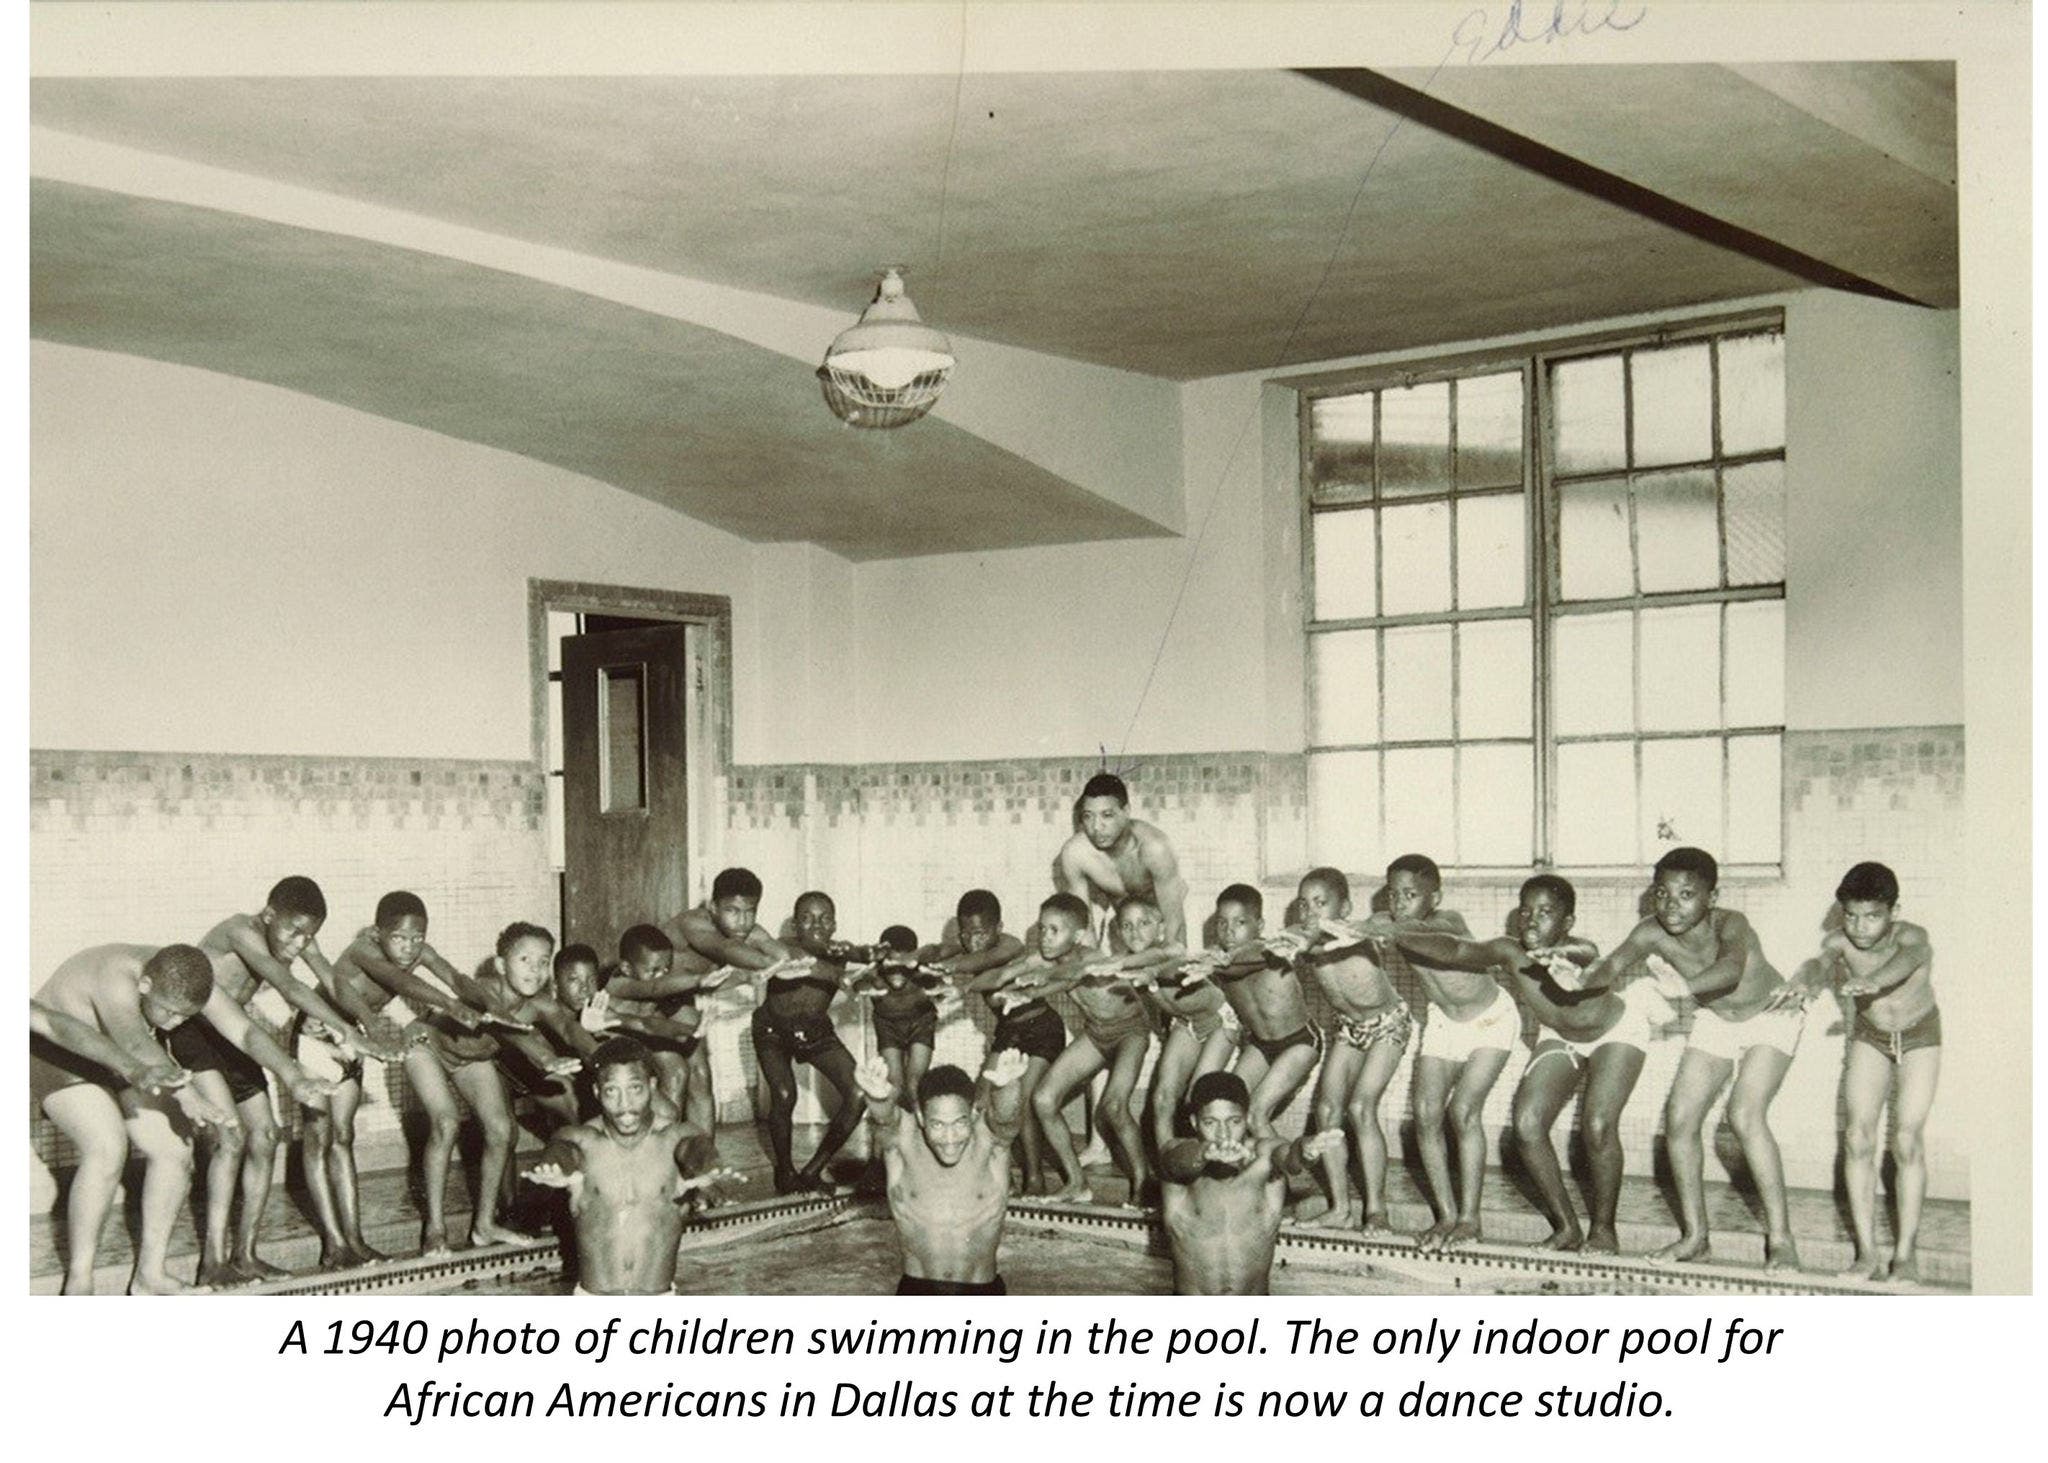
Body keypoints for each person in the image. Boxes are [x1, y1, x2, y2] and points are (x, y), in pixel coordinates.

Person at [32, 943, 327, 1293]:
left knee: (175, 1151)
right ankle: (79, 1282)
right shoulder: (115, 976)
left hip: (128, 1059)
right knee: (107, 1148)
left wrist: (291, 1075)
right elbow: (135, 1041)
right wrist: (187, 1096)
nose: (177, 1023)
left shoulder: (190, 977)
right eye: (170, 1013)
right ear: (145, 986)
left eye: (186, 1017)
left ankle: (149, 1276)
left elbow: (244, 1031)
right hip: (59, 1053)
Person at [1391, 874, 1653, 1254]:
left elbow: (1587, 952)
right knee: (1527, 1125)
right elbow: (1455, 950)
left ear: (1566, 923)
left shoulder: (1577, 948)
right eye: (1526, 911)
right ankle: (1567, 1228)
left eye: (1546, 913)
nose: (1532, 920)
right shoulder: (1509, 951)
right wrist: (1397, 934)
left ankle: (1603, 1229)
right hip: (1561, 1038)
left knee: (1597, 1125)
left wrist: (1567, 957)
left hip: (1616, 1032)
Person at [1581, 847, 1801, 1269]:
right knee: (1680, 1121)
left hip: (1773, 1014)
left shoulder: (1732, 923)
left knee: (1744, 1115)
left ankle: (1782, 1239)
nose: (1672, 905)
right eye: (1662, 894)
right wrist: (1580, 978)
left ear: (1711, 898)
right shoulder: (1650, 932)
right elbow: (1611, 965)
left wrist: (1685, 989)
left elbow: (1732, 970)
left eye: (1686, 894)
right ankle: (1696, 1237)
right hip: (1718, 1018)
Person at [188, 875, 402, 1284]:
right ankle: (211, 1261)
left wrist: (360, 1023)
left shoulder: (293, 936)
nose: (300, 942)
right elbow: (289, 985)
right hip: (196, 1033)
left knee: (266, 1136)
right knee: (229, 1140)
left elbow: (332, 978)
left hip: (232, 1033)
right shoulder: (240, 930)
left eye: (310, 935)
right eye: (294, 930)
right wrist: (348, 1032)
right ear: (269, 915)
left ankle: (245, 1256)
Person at [319, 890, 499, 1264]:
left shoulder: (419, 950)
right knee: (325, 1135)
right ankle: (335, 1242)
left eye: (417, 938)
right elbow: (397, 981)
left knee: (343, 1134)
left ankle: (351, 1241)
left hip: (355, 1037)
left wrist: (488, 1003)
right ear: (376, 932)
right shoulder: (361, 949)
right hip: (318, 1032)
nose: (409, 947)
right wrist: (449, 1004)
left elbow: (453, 976)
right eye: (399, 938)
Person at [1781, 861, 1939, 1281]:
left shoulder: (1914, 937)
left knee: (1906, 1139)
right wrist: (1804, 981)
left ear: (1894, 911)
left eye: (1872, 916)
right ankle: (1866, 1253)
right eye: (1851, 915)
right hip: (1871, 1036)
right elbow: (1818, 963)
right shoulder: (1839, 942)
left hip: (1920, 1036)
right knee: (1856, 1138)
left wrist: (1875, 983)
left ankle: (1905, 1254)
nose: (1860, 927)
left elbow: (1906, 961)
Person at [1334, 854, 1495, 1251]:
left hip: (1490, 1019)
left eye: (1411, 894)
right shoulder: (1388, 923)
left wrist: (1395, 931)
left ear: (1434, 897)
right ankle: (1445, 1217)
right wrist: (1305, 936)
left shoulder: (1449, 920)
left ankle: (1470, 1219)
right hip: (1443, 1020)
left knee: (1464, 1113)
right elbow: (1353, 927)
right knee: (1425, 1115)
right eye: (1393, 894)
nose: (1399, 901)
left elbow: (1433, 934)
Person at [401, 921, 583, 1255]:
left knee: (501, 1130)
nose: (536, 970)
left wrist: (600, 1056)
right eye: (524, 960)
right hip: (427, 1046)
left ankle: (484, 1226)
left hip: (471, 1057)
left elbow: (568, 1029)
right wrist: (544, 1057)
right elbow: (513, 1030)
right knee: (446, 1122)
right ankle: (435, 1228)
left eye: (544, 962)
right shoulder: (482, 989)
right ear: (501, 966)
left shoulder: (539, 1004)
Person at [522, 1037, 742, 1294]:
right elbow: (562, 1151)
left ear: (652, 1086)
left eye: (635, 1089)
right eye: (612, 1091)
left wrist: (708, 1165)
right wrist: (554, 1168)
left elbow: (694, 1147)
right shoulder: (581, 1140)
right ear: (596, 1092)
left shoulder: (674, 1137)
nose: (624, 1105)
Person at [1273, 867, 1410, 1233]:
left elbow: (1378, 925)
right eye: (1304, 904)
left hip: (1387, 1025)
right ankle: (1340, 1207)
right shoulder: (1302, 938)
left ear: (1344, 907)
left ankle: (1376, 1210)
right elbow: (1287, 938)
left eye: (1321, 903)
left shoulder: (1355, 932)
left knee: (1361, 1107)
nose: (1310, 912)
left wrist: (1373, 932)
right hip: (1349, 1029)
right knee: (1326, 1110)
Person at [857, 1047, 1032, 1294]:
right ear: (919, 1116)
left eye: (959, 1123)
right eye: (937, 1125)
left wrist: (1007, 1086)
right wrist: (876, 1097)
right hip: (917, 1292)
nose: (950, 1138)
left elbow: (1006, 1120)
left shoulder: (988, 1143)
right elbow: (885, 1121)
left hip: (981, 1293)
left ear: (972, 1114)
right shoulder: (904, 1142)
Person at [1026, 895, 1163, 1205]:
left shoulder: (1086, 957)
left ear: (1075, 936)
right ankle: (1077, 1183)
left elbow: (1068, 978)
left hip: (1131, 1032)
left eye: (1054, 930)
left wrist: (1035, 987)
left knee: (1114, 1106)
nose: (1045, 937)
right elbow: (1030, 968)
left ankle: (1144, 1180)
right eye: (1042, 929)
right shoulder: (1051, 959)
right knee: (1043, 1099)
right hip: (1097, 1034)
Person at [1158, 1072, 1345, 1295]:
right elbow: (1174, 1161)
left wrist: (1305, 1151)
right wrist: (1205, 1153)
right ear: (1194, 1122)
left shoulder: (1263, 1158)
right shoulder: (1179, 1160)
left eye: (1234, 1122)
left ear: (1246, 1119)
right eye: (1210, 1123)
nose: (1223, 1134)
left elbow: (1287, 1157)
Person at [955, 892, 1083, 1194]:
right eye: (966, 933)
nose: (972, 941)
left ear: (998, 928)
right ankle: (1000, 1176)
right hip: (1008, 1033)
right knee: (981, 1100)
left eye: (980, 933)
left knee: (1023, 1102)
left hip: (1042, 1029)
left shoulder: (1008, 946)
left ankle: (1034, 1178)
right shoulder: (971, 950)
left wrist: (953, 971)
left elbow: (989, 961)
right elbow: (943, 952)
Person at [749, 891, 866, 1194]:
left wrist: (875, 959)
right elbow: (808, 963)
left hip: (814, 1032)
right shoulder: (782, 948)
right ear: (795, 925)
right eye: (807, 918)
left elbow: (868, 959)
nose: (816, 925)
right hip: (772, 1030)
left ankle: (813, 1170)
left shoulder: (840, 951)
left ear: (834, 925)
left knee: (858, 1093)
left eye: (824, 919)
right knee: (785, 1095)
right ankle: (785, 1171)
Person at [1185, 885, 1322, 1138]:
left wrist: (1220, 961)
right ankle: (1231, 1170)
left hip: (1300, 1042)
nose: (1229, 931)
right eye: (1222, 923)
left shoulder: (1269, 951)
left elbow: (1249, 956)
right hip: (1260, 1045)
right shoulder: (1217, 959)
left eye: (1239, 922)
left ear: (1259, 924)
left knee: (1255, 1114)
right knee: (1228, 1105)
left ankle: (1277, 1176)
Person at [602, 922, 735, 1176]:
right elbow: (652, 989)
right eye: (653, 970)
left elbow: (658, 1006)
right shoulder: (618, 983)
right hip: (616, 1050)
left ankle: (701, 1168)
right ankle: (659, 1169)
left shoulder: (661, 983)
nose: (661, 975)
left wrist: (751, 975)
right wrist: (698, 980)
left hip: (649, 1032)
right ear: (627, 967)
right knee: (669, 1098)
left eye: (666, 969)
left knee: (693, 1073)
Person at [1055, 772, 1191, 946]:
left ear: (1126, 811)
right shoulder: (1075, 853)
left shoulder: (1154, 848)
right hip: (1121, 921)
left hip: (1166, 914)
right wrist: (1092, 966)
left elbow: (1175, 926)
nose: (1096, 827)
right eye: (1088, 816)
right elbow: (1084, 928)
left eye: (1107, 815)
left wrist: (1176, 964)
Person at [849, 925, 947, 1116]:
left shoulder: (921, 975)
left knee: (914, 1083)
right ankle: (896, 1127)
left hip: (921, 1023)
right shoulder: (875, 976)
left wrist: (941, 988)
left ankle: (921, 1126)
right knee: (894, 1083)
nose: (896, 973)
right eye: (891, 965)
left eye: (903, 967)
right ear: (882, 959)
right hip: (888, 1026)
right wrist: (860, 987)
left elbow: (941, 987)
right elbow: (858, 984)